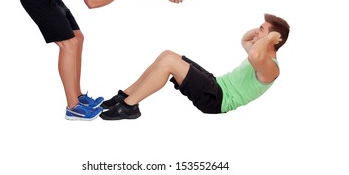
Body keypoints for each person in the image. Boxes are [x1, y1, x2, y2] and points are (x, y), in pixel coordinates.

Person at [19, 0, 192, 121]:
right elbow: (92, 2)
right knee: (69, 44)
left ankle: (78, 97)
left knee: (78, 38)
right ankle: (73, 107)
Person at [100, 14, 290, 120]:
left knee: (169, 64)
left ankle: (129, 107)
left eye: (262, 30)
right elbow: (245, 39)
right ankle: (125, 96)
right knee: (168, 54)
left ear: (273, 40)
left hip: (218, 100)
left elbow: (255, 54)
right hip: (216, 84)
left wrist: (268, 39)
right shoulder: (259, 54)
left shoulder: (271, 68)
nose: (257, 31)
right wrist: (262, 33)